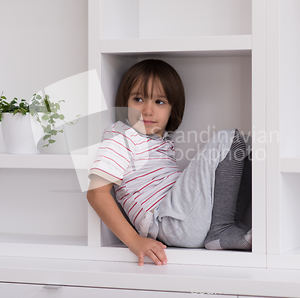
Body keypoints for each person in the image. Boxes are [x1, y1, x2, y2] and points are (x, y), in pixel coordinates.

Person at [86, 59, 252, 266]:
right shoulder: (121, 135)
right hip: (168, 222)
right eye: (138, 99)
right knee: (228, 138)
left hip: (188, 221)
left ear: (173, 109)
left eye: (159, 102)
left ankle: (226, 227)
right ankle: (223, 229)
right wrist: (133, 240)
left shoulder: (160, 141)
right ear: (124, 103)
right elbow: (96, 193)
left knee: (249, 148)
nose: (147, 110)